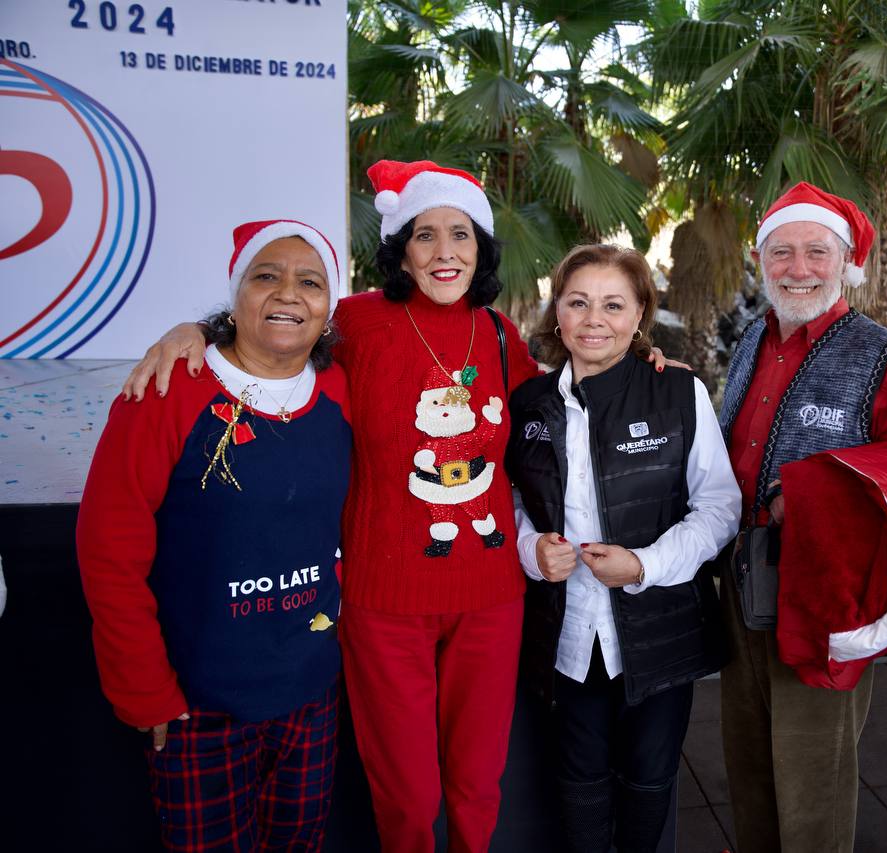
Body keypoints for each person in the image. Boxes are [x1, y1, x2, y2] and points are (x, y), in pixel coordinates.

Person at [121, 160, 677, 852]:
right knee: (409, 796)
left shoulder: (501, 337)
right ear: (400, 250)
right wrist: (195, 333)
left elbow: (573, 384)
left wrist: (645, 357)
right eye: (424, 235)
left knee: (477, 785)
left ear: (482, 248)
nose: (445, 252)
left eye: (461, 235)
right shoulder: (355, 324)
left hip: (491, 596)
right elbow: (273, 337)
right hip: (385, 602)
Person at [78, 219, 351, 851]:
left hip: (311, 692)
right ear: (235, 294)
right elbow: (107, 550)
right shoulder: (168, 391)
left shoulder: (339, 388)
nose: (288, 294)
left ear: (329, 307)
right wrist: (142, 688)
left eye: (310, 282)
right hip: (195, 706)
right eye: (265, 276)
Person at [718, 182, 887, 853]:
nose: (798, 267)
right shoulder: (749, 341)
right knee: (747, 765)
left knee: (813, 782)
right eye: (780, 251)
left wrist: (811, 490)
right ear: (761, 259)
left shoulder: (882, 353)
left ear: (846, 261)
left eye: (817, 250)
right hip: (740, 584)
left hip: (825, 592)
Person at [505, 244, 740, 853]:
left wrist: (645, 566)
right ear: (556, 311)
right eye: (577, 302)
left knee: (648, 781)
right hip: (567, 635)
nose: (593, 319)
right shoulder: (528, 404)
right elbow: (505, 499)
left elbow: (719, 507)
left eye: (613, 304)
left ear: (640, 315)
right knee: (578, 783)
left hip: (659, 630)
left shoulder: (678, 393)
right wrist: (530, 549)